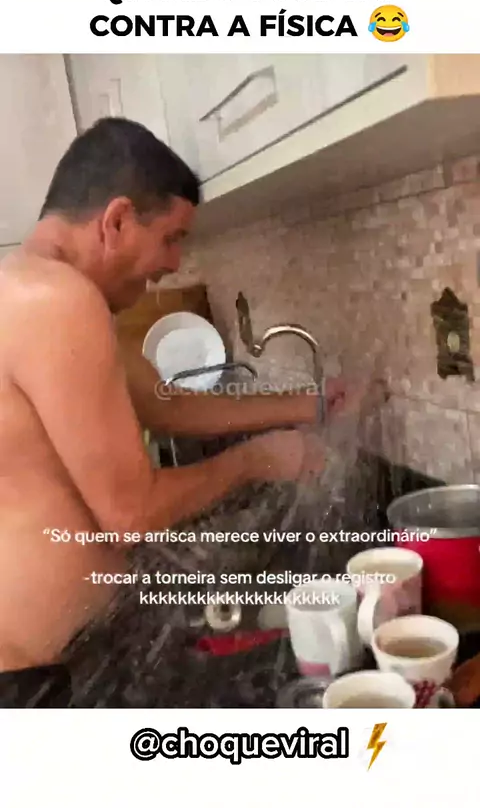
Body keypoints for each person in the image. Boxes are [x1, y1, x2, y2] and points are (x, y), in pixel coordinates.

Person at [0, 117, 365, 704]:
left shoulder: (36, 294)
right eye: (171, 237)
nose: (174, 262)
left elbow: (166, 405)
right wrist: (258, 460)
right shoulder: (55, 301)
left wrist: (312, 404)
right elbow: (131, 513)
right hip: (34, 685)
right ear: (117, 220)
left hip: (57, 663)